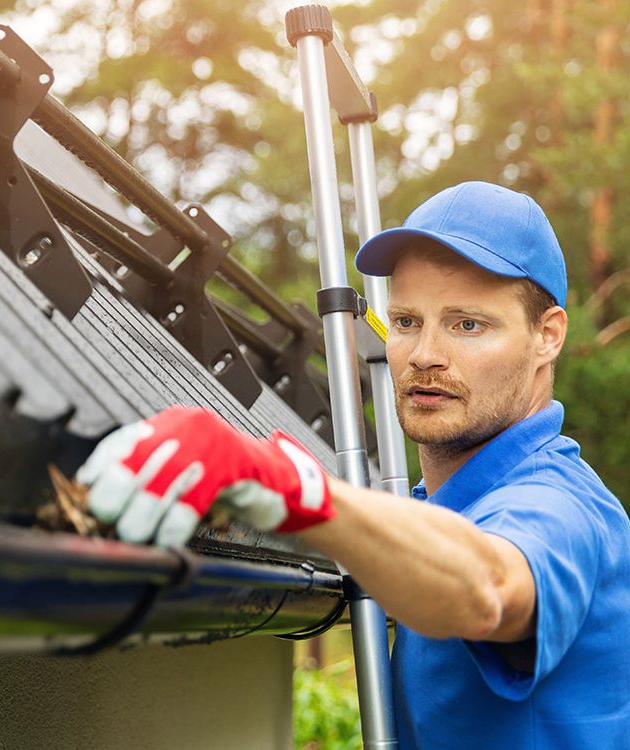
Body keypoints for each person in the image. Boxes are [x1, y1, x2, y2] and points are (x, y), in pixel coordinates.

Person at [76, 181, 630, 748]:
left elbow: (488, 586)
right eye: (408, 321)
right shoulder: (438, 507)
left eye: (468, 324)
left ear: (547, 336)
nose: (424, 355)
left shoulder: (561, 504)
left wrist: (301, 490)